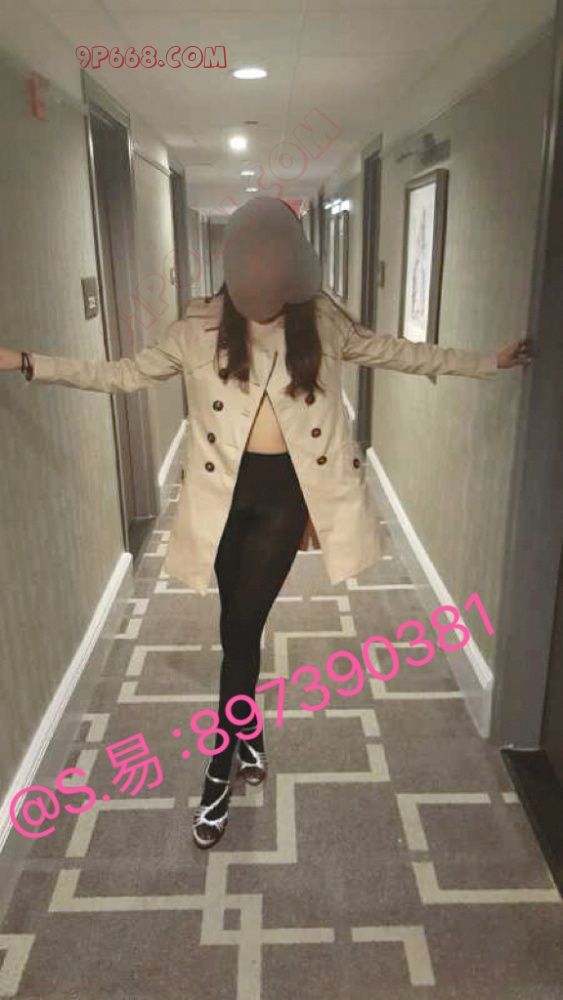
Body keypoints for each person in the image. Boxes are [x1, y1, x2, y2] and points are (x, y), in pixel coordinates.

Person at [0, 196, 531, 850]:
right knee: (235, 626)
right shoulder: (197, 326)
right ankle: (249, 731)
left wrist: (486, 361)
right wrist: (29, 362)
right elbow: (123, 374)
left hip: (285, 497)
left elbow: (398, 353)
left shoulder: (322, 322)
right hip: (221, 495)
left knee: (243, 629)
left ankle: (218, 767)